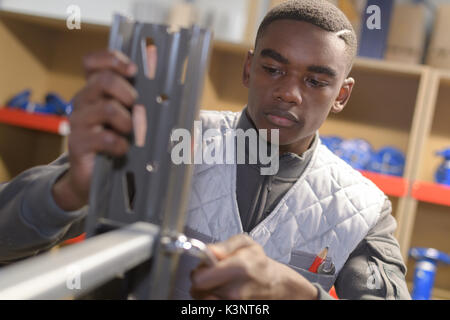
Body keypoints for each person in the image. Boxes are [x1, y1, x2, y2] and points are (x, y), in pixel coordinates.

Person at [0, 0, 411, 299]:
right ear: (248, 68)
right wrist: (70, 190)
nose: (288, 93)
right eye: (273, 69)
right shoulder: (163, 139)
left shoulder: (362, 209)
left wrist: (300, 294)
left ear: (342, 94)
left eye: (316, 81)